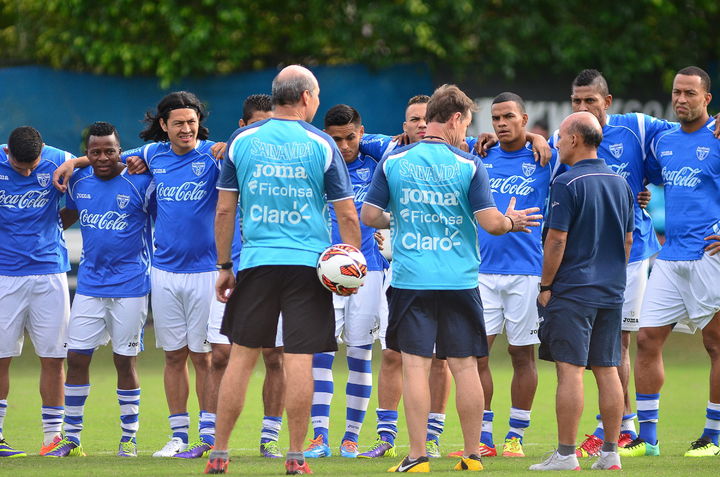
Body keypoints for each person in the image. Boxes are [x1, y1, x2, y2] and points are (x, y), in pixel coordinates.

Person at [362, 84, 542, 473]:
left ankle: (417, 457)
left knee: (415, 366)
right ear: (456, 119)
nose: (467, 132)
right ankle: (472, 455)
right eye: (467, 123)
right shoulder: (468, 164)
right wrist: (512, 221)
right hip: (459, 281)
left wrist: (400, 217)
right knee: (464, 366)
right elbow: (491, 224)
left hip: (411, 280)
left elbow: (370, 216)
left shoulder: (394, 161)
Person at [205, 65, 361, 475]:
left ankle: (219, 453)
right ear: (307, 97)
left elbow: (224, 210)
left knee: (241, 358)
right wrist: (354, 269)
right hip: (308, 267)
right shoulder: (321, 143)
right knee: (299, 360)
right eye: (317, 96)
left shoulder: (242, 139)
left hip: (257, 263)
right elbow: (347, 215)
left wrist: (225, 265)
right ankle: (295, 456)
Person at [549, 69, 676, 457]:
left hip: (628, 256)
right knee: (598, 351)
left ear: (607, 101)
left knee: (615, 344)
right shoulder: (565, 139)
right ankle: (621, 429)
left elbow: (685, 132)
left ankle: (620, 430)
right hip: (586, 261)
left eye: (590, 100)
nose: (583, 106)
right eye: (576, 100)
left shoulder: (635, 127)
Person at [620, 66, 720, 458]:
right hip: (671, 256)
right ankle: (648, 439)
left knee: (715, 344)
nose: (681, 99)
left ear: (706, 98)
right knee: (646, 339)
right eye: (677, 92)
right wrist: (641, 194)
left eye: (689, 93)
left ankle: (713, 436)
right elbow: (646, 178)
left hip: (710, 256)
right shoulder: (664, 140)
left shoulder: (717, 136)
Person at [453, 92, 556, 459]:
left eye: (508, 116)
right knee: (477, 355)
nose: (500, 123)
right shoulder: (479, 154)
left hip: (526, 272)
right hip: (481, 271)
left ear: (524, 119)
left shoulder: (545, 157)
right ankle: (484, 437)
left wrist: (538, 139)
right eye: (495, 118)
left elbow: (584, 139)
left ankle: (516, 435)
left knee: (521, 354)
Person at [530, 111, 634, 471]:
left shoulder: (566, 182)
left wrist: (546, 285)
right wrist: (613, 276)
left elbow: (556, 240)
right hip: (611, 290)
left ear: (575, 139)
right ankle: (610, 454)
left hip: (574, 291)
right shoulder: (621, 183)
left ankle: (566, 455)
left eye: (560, 137)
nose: (557, 143)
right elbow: (628, 240)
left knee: (571, 370)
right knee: (608, 368)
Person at [47, 122, 153, 458]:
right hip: (90, 286)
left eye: (110, 151)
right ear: (87, 154)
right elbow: (68, 215)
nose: (103, 157)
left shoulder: (141, 181)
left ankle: (129, 438)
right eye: (95, 152)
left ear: (121, 151)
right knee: (76, 358)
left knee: (125, 361)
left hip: (131, 286)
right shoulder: (78, 181)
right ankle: (72, 438)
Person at [125, 91, 220, 457]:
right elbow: (112, 157)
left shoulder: (213, 155)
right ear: (163, 125)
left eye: (191, 122)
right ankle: (178, 435)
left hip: (206, 272)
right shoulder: (152, 154)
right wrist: (74, 164)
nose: (186, 129)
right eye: (178, 123)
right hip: (164, 273)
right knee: (174, 356)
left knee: (203, 356)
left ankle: (207, 435)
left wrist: (230, 146)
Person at [204, 94, 287, 460]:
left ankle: (269, 438)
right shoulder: (223, 157)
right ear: (242, 127)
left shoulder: (288, 165)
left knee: (275, 356)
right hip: (229, 270)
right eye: (256, 125)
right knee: (220, 354)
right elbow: (162, 150)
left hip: (270, 271)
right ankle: (210, 438)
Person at [302, 105, 387, 459]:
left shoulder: (377, 161)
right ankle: (319, 436)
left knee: (359, 354)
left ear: (361, 133)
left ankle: (351, 437)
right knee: (320, 354)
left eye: (350, 137)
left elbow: (406, 141)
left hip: (369, 271)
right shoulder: (317, 166)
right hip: (324, 271)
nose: (344, 146)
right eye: (335, 139)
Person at [0, 127, 74, 458]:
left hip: (50, 272)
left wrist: (75, 163)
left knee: (54, 357)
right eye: (20, 167)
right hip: (4, 275)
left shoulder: (60, 159)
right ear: (8, 153)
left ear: (42, 151)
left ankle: (52, 438)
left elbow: (102, 162)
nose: (28, 173)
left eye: (33, 166)